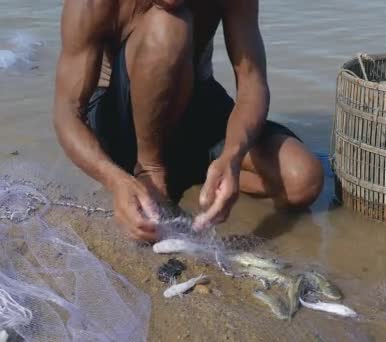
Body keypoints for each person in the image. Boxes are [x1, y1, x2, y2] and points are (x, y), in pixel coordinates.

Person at [52, 0, 324, 241]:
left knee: (303, 180)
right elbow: (68, 110)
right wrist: (114, 179)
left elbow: (252, 82)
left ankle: (195, 172)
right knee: (170, 24)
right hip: (122, 122)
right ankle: (149, 172)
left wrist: (232, 157)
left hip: (194, 103)